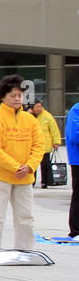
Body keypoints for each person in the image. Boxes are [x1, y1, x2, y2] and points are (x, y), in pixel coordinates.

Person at [0, 74, 46, 253]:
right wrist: (16, 166)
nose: (17, 99)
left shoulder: (30, 120)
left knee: (26, 217)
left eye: (19, 95)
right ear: (3, 97)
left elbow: (39, 145)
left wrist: (29, 166)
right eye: (13, 96)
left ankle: (25, 250)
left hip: (24, 177)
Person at [30, 99, 61, 189]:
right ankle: (32, 181)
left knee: (45, 165)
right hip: (32, 145)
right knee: (32, 165)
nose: (39, 108)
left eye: (40, 106)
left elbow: (54, 129)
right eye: (37, 107)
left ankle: (45, 182)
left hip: (45, 145)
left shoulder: (47, 116)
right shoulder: (29, 116)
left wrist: (56, 142)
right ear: (32, 108)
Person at [66, 100, 79, 238]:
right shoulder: (77, 109)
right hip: (78, 160)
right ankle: (76, 230)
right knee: (78, 195)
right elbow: (75, 134)